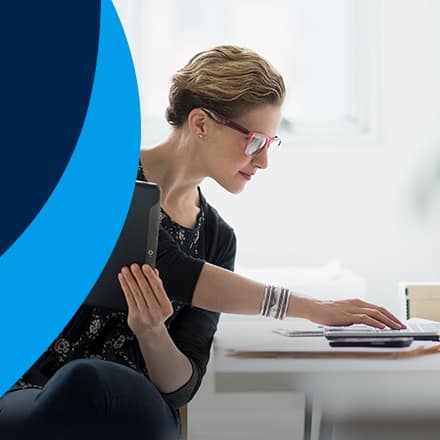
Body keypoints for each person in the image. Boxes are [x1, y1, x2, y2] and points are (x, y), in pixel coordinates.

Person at [0, 45, 405, 439]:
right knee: (74, 387)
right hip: (30, 388)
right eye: (254, 142)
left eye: (270, 144)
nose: (263, 161)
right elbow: (171, 267)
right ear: (201, 124)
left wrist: (152, 333)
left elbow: (182, 386)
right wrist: (315, 308)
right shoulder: (103, 173)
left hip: (133, 400)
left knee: (89, 380)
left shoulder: (217, 239)